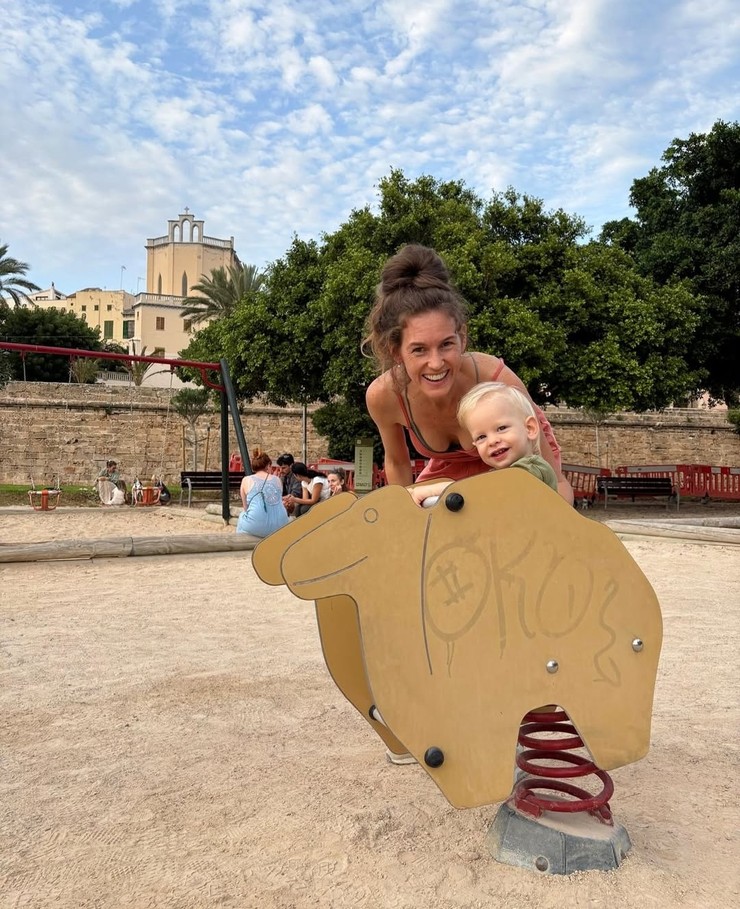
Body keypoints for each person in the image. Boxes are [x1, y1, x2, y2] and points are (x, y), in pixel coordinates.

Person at [363, 244, 573, 504]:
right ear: (396, 352)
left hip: (515, 463)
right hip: (448, 470)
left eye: (446, 344)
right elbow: (397, 464)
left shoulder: (496, 380)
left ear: (462, 338)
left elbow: (554, 481)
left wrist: (560, 527)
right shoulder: (385, 396)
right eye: (419, 350)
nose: (436, 363)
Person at [408, 382, 558, 507]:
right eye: (481, 437)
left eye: (502, 428)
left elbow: (489, 493)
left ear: (530, 428)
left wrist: (437, 490)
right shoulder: (497, 477)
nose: (492, 441)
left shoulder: (533, 468)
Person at [236, 449, 289, 537]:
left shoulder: (247, 480)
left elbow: (246, 507)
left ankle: (240, 543)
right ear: (268, 466)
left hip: (257, 525)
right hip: (281, 524)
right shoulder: (277, 480)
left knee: (242, 515)